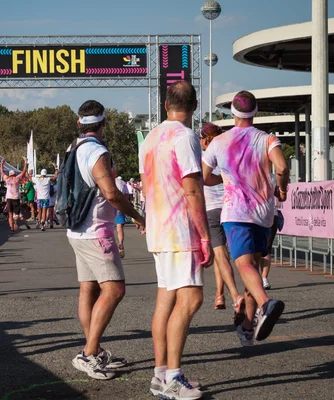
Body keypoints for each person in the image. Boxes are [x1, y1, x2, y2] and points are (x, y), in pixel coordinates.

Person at [140, 81, 213, 400]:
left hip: (158, 227)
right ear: (194, 106)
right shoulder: (185, 137)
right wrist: (205, 235)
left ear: (166, 104)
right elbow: (193, 189)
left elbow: (145, 185)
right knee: (191, 298)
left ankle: (160, 375)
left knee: (166, 299)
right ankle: (172, 376)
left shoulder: (151, 137)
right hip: (180, 230)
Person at [203, 90, 288, 349]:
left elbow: (204, 177)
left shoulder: (219, 141)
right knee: (253, 266)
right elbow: (282, 168)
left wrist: (225, 179)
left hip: (237, 212)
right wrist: (282, 189)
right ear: (255, 110)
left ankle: (266, 304)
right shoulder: (267, 139)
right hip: (264, 214)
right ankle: (248, 327)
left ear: (232, 111)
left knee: (243, 265)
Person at [68, 100, 146, 380]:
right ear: (103, 124)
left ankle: (95, 350)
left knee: (88, 290)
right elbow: (111, 193)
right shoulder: (98, 152)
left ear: (80, 123)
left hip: (76, 230)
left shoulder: (73, 148)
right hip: (96, 231)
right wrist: (138, 216)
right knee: (114, 290)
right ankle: (89, 354)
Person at [199, 123, 245, 322]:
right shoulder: (229, 154)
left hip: (211, 210)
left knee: (220, 254)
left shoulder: (203, 157)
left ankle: (235, 295)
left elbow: (201, 181)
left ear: (204, 138)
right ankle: (220, 294)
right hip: (231, 208)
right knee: (227, 255)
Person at [1, 157, 29, 233]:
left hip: (9, 198)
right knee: (16, 214)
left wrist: (2, 163)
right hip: (16, 198)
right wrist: (25, 162)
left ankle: (11, 228)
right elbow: (24, 170)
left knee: (10, 214)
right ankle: (15, 222)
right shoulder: (17, 178)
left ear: (9, 174)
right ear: (14, 174)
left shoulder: (7, 178)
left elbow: (2, 172)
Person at [36, 166, 57, 231]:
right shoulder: (48, 179)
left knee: (39, 211)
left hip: (39, 198)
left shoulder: (37, 179)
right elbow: (55, 177)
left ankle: (39, 222)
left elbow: (27, 176)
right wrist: (56, 169)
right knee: (44, 212)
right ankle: (43, 225)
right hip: (46, 198)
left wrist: (26, 165)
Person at [114, 175, 129, 258]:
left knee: (107, 228)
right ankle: (120, 244)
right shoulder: (122, 182)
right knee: (119, 228)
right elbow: (126, 195)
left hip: (109, 207)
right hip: (119, 207)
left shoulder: (106, 180)